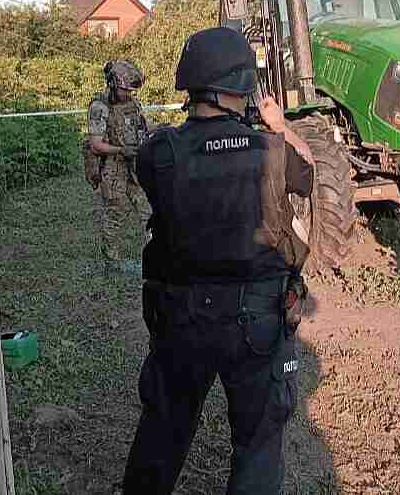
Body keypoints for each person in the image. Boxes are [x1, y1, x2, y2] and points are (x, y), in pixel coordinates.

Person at [122, 27, 315, 494]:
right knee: (258, 445)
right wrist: (278, 125)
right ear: (240, 85)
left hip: (181, 319)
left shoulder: (159, 152)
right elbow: (308, 171)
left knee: (163, 431)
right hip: (258, 320)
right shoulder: (272, 150)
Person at [86, 60, 152, 265]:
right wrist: (121, 150)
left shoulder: (132, 104)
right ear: (113, 85)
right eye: (125, 90)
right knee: (116, 212)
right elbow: (96, 144)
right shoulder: (100, 107)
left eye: (131, 90)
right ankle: (111, 260)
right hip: (112, 168)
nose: (128, 94)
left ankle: (155, 255)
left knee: (148, 210)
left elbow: (143, 128)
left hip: (134, 166)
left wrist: (159, 130)